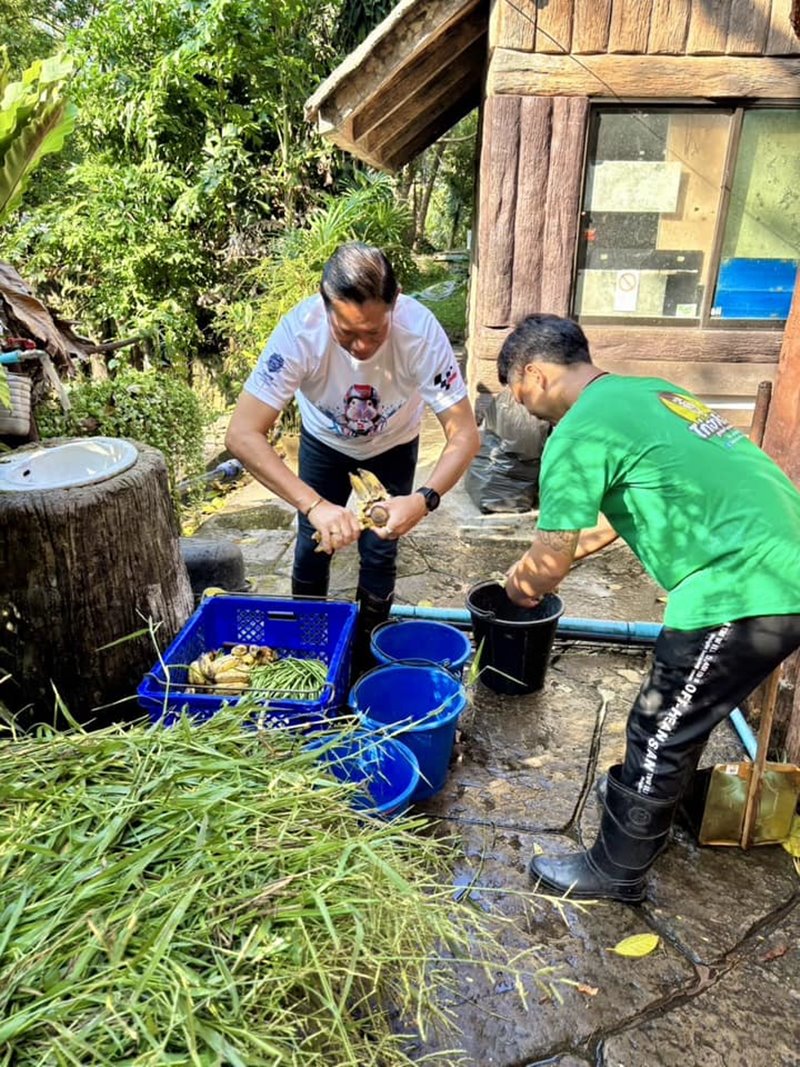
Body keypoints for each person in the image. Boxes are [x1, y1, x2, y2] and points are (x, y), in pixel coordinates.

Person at [498, 313, 800, 903]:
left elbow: (548, 559)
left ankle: (617, 872)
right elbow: (613, 517)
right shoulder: (653, 393)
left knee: (658, 724)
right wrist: (556, 561)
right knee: (686, 716)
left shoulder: (577, 434)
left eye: (517, 394)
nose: (526, 410)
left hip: (743, 587)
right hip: (781, 562)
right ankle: (667, 816)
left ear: (533, 374)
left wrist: (520, 587)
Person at [225, 242, 480, 673]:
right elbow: (242, 433)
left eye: (374, 333)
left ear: (395, 304)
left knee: (380, 549)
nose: (361, 347)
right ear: (325, 307)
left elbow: (464, 434)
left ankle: (366, 655)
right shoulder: (299, 332)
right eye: (347, 333)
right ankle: (306, 652)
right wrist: (315, 505)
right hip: (323, 441)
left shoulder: (421, 334)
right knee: (313, 544)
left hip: (395, 444)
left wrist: (423, 500)